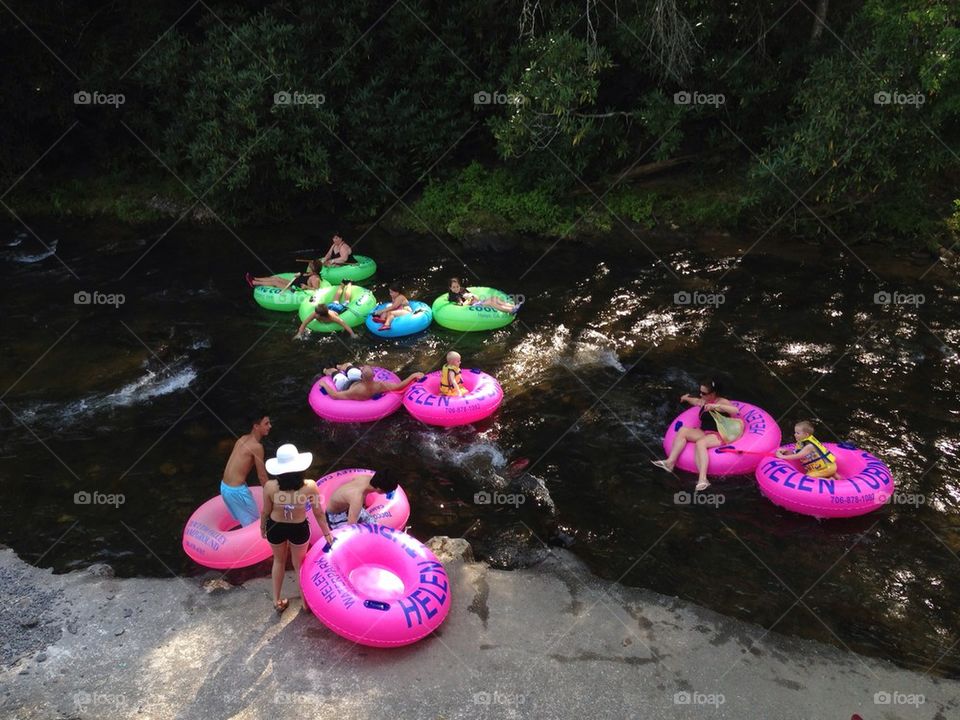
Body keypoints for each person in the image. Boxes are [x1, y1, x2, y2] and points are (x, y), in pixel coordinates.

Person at [260, 443, 334, 614]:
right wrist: (327, 533)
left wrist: (262, 527)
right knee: (299, 565)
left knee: (278, 561)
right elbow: (318, 512)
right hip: (298, 527)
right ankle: (304, 602)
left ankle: (276, 600)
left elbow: (266, 511)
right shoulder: (310, 486)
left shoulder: (270, 487)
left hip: (276, 526)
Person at [652, 379, 742, 492]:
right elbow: (695, 401)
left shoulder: (721, 402)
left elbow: (735, 410)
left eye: (703, 393)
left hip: (719, 434)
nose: (700, 395)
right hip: (704, 432)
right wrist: (685, 398)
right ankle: (670, 462)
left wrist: (716, 406)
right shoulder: (704, 401)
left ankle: (703, 479)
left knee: (700, 443)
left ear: (713, 394)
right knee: (683, 430)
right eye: (700, 392)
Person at [220, 412, 271, 526]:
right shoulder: (257, 447)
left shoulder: (242, 439)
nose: (270, 426)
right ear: (256, 426)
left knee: (247, 522)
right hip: (236, 491)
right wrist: (272, 495)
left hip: (224, 487)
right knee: (255, 525)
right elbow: (262, 476)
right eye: (266, 423)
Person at [325, 469, 399, 529]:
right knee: (357, 536)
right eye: (387, 492)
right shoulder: (357, 498)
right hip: (335, 516)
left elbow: (354, 480)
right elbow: (351, 527)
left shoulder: (366, 478)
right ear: (379, 490)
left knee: (376, 526)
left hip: (348, 506)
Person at [775, 420, 841, 480]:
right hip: (826, 466)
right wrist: (786, 451)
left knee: (807, 477)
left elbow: (798, 455)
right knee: (817, 472)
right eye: (795, 432)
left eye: (798, 433)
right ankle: (834, 475)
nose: (795, 435)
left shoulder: (809, 446)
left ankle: (830, 480)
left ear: (806, 434)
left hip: (826, 468)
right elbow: (796, 452)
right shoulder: (802, 443)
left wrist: (782, 457)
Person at [324, 365, 424, 401]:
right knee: (349, 366)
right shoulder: (380, 385)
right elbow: (399, 386)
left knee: (334, 372)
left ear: (361, 376)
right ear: (374, 376)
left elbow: (335, 395)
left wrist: (324, 385)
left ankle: (325, 370)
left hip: (346, 385)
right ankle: (342, 366)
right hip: (357, 382)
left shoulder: (355, 391)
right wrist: (413, 375)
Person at [447, 277, 522, 314]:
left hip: (477, 302)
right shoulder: (454, 295)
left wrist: (472, 295)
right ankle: (510, 310)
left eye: (457, 286)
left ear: (459, 285)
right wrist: (469, 299)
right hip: (473, 307)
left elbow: (476, 297)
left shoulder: (462, 289)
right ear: (450, 288)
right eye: (453, 287)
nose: (456, 289)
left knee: (494, 298)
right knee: (491, 303)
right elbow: (462, 305)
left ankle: (511, 306)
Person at [246, 260, 321, 291]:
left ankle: (254, 283)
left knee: (275, 283)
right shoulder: (310, 273)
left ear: (314, 268)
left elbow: (316, 289)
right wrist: (300, 274)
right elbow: (303, 276)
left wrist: (306, 287)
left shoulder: (314, 278)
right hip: (293, 283)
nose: (308, 267)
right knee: (276, 278)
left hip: (295, 289)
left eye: (310, 266)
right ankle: (255, 278)